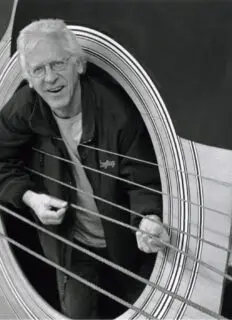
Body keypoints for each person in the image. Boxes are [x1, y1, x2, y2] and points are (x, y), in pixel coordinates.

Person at [0, 19, 169, 319]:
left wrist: (149, 219)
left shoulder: (117, 112)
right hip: (72, 246)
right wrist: (30, 197)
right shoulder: (26, 106)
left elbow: (143, 178)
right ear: (28, 78)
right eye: (38, 69)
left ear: (78, 65)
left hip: (127, 245)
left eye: (58, 63)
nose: (50, 78)